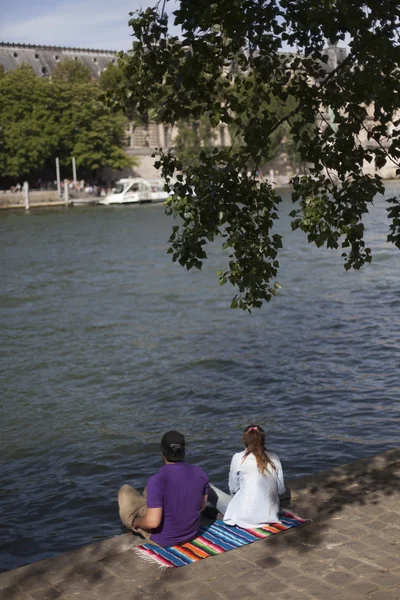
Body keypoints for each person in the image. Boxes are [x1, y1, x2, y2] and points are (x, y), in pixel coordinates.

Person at [118, 430, 209, 546]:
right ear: (184, 451)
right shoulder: (200, 472)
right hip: (191, 533)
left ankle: (135, 519)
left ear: (162, 452)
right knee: (149, 490)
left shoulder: (157, 480)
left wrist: (137, 522)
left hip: (164, 539)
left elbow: (153, 523)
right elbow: (201, 507)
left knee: (125, 490)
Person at [208, 424, 288, 528]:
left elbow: (233, 488)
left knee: (207, 486)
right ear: (263, 439)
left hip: (244, 517)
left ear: (244, 440)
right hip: (270, 516)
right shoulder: (274, 458)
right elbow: (281, 490)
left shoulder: (238, 458)